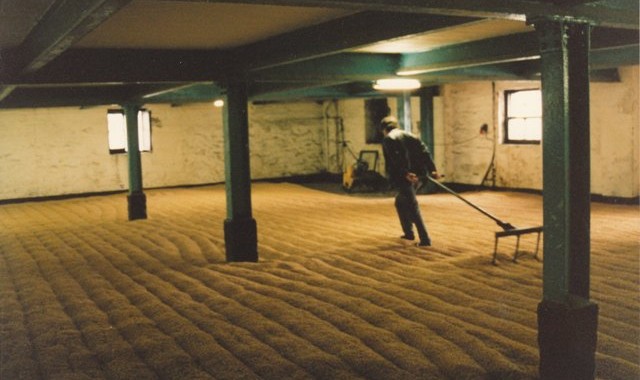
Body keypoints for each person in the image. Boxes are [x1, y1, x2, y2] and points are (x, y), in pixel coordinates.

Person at [380, 116, 440, 247]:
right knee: (400, 201)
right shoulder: (412, 136)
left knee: (413, 206)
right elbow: (425, 152)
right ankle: (408, 232)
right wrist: (433, 170)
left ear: (384, 129)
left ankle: (425, 239)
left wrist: (405, 173)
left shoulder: (389, 138)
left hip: (405, 178)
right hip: (419, 176)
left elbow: (395, 159)